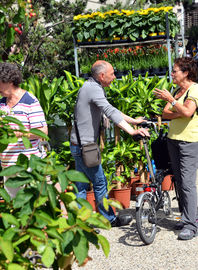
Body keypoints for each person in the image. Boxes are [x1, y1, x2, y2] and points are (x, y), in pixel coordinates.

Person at [70, 60, 149, 227]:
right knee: (99, 183)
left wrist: (134, 121)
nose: (114, 77)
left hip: (79, 145)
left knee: (81, 185)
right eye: (112, 74)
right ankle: (109, 219)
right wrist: (132, 131)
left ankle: (80, 223)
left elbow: (111, 108)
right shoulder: (93, 89)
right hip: (85, 146)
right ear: (102, 75)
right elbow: (110, 112)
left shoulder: (91, 87)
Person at [153, 57, 198, 240]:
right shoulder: (178, 92)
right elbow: (165, 114)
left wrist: (173, 102)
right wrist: (177, 105)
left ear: (186, 73)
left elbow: (188, 112)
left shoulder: (194, 89)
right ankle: (187, 216)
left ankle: (191, 224)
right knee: (179, 182)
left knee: (187, 183)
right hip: (173, 140)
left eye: (175, 71)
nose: (172, 74)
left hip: (189, 141)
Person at [0, 62, 48, 198]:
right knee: (13, 207)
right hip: (8, 166)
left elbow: (42, 131)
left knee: (31, 205)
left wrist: (17, 134)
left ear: (9, 81)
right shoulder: (2, 104)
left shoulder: (29, 101)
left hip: (27, 166)